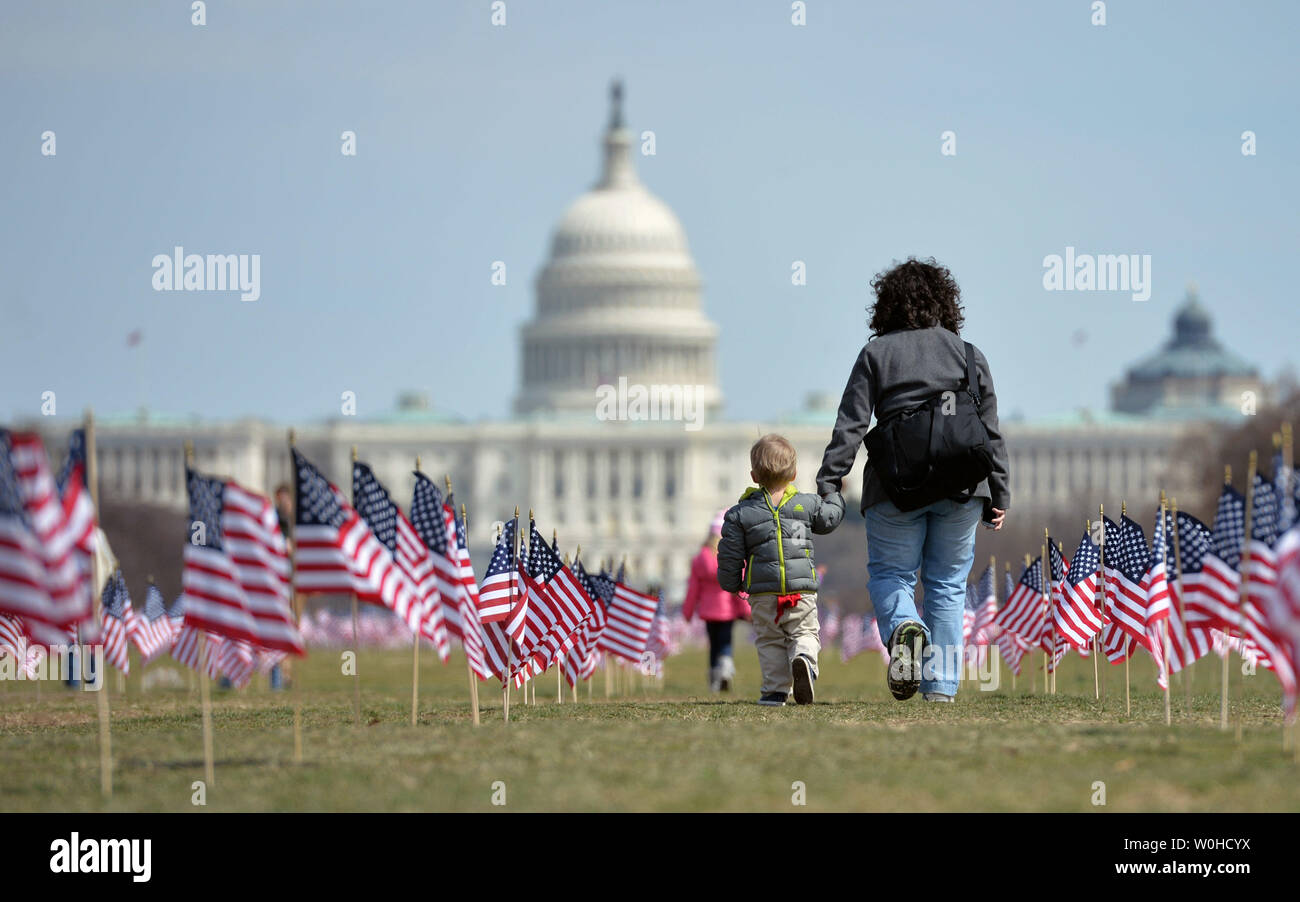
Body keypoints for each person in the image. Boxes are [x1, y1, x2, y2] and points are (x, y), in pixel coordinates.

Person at [816, 257, 1009, 703]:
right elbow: (990, 431)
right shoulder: (968, 354)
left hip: (894, 487)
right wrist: (999, 492)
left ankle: (904, 625)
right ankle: (939, 689)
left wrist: (830, 482)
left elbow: (850, 425)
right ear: (944, 303)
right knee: (947, 585)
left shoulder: (876, 354)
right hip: (961, 487)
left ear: (887, 307)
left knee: (891, 575)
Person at [717, 434, 844, 706]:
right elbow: (830, 518)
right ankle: (804, 661)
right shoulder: (807, 504)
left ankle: (775, 691)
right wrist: (834, 496)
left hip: (763, 593)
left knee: (770, 640)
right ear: (795, 473)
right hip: (801, 590)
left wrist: (731, 583)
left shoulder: (741, 513)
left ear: (753, 475)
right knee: (804, 633)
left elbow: (730, 555)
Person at [682, 510, 751, 692]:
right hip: (727, 610)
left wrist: (687, 612)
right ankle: (726, 668)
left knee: (713, 644)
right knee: (725, 641)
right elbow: (739, 588)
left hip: (708, 610)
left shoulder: (699, 560)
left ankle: (714, 677)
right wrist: (747, 610)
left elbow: (693, 589)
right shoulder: (732, 560)